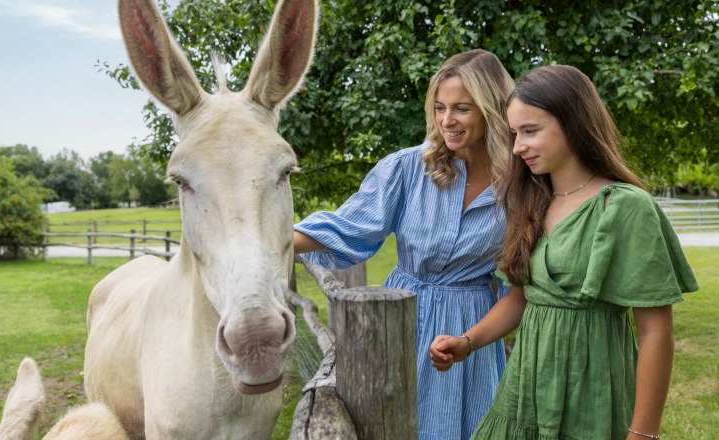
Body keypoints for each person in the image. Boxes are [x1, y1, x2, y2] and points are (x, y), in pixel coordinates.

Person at [429, 64, 699, 440]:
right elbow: (521, 298)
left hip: (594, 389)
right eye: (513, 133)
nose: (517, 146)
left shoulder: (625, 208)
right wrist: (468, 342)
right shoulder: (529, 200)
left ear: (573, 124)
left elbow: (656, 332)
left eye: (530, 131)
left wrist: (643, 434)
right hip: (523, 390)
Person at [293, 49, 515, 439]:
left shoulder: (518, 186)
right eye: (440, 107)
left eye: (462, 108)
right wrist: (270, 241)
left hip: (471, 324)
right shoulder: (409, 168)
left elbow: (522, 281)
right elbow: (348, 227)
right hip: (400, 316)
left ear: (491, 109)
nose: (447, 120)